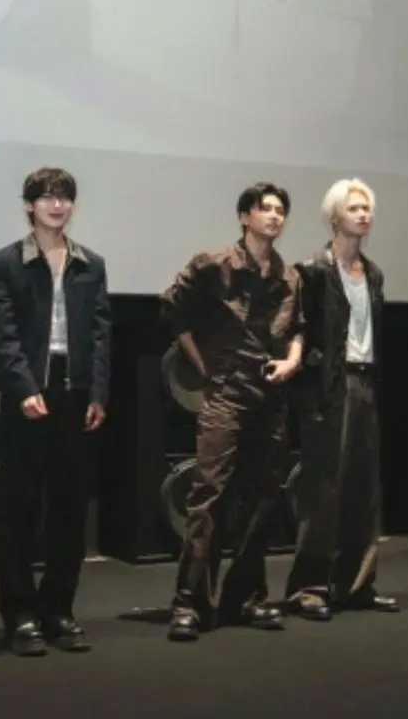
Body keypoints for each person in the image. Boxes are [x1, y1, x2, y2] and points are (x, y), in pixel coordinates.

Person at [162, 183, 304, 642]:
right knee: (210, 493)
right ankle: (189, 603)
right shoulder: (213, 264)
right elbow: (172, 308)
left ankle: (245, 597)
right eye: (266, 209)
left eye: (280, 210)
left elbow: (298, 329)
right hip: (226, 392)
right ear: (245, 216)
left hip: (271, 396)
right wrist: (204, 366)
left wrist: (293, 361)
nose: (274, 216)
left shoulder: (290, 276)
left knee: (263, 497)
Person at [0, 168, 111, 656]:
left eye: (65, 198)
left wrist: (98, 393)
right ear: (28, 205)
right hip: (27, 395)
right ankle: (20, 615)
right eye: (47, 197)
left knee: (69, 510)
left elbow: (100, 334)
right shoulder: (6, 262)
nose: (57, 205)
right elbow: (2, 334)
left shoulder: (90, 263)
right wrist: (23, 387)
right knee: (19, 510)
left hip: (75, 394)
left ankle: (59, 609)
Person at [285, 179, 398, 622]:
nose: (364, 214)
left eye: (367, 207)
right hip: (330, 385)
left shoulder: (373, 273)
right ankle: (308, 588)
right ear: (334, 216)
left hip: (366, 382)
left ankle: (356, 584)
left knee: (364, 487)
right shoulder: (313, 270)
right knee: (323, 488)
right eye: (354, 208)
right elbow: (299, 328)